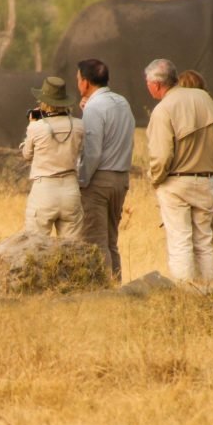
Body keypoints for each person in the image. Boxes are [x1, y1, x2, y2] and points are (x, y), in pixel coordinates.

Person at [144, 58, 213, 286]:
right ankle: (208, 291)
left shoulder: (163, 109)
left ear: (156, 85)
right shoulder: (205, 98)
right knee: (204, 242)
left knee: (180, 241)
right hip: (206, 180)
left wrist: (155, 179)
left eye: (147, 82)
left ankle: (186, 296)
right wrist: (212, 168)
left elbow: (161, 156)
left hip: (175, 183)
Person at [75, 58, 135, 280]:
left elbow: (92, 152)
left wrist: (82, 181)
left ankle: (103, 294)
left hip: (98, 181)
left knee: (95, 242)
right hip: (121, 178)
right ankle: (116, 288)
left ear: (86, 83)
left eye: (78, 79)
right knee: (111, 241)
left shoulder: (94, 108)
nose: (78, 84)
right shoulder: (122, 102)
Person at [19, 76, 86, 238]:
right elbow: (81, 152)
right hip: (70, 190)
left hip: (44, 190)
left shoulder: (36, 126)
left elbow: (27, 155)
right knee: (72, 251)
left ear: (44, 101)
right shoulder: (79, 125)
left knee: (35, 248)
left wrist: (32, 124)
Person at [176, 70, 213, 208]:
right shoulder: (211, 107)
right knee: (205, 229)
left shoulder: (173, 108)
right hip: (207, 179)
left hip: (178, 179)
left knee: (180, 230)